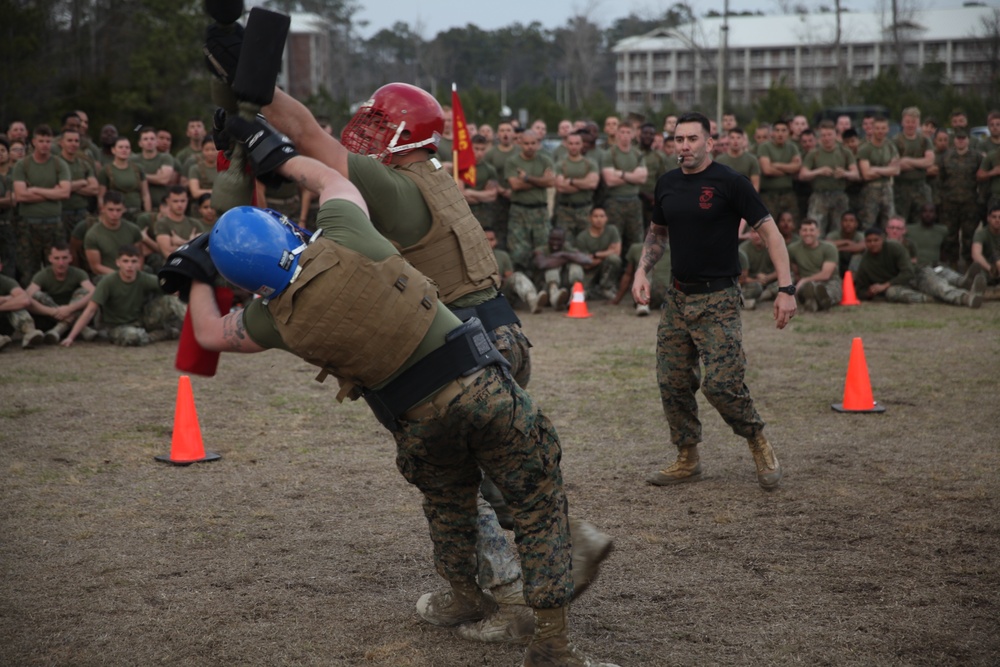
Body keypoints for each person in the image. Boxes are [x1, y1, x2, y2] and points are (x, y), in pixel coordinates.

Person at [178, 148, 619, 667]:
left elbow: (207, 332)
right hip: (479, 386)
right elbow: (327, 176)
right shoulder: (345, 233)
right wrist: (278, 157)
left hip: (416, 422)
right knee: (538, 506)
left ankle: (464, 597)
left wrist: (194, 273)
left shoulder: (272, 319)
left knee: (449, 509)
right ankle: (552, 650)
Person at [631, 112, 796, 491]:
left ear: (709, 141)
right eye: (678, 139)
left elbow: (771, 234)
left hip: (718, 298)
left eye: (692, 139)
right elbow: (657, 233)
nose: (684, 146)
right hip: (677, 297)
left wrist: (786, 290)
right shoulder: (668, 183)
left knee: (722, 384)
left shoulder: (731, 182)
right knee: (672, 381)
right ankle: (687, 457)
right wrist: (642, 270)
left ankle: (757, 440)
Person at [62, 244, 183, 346]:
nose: (129, 265)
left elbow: (172, 290)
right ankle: (163, 333)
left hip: (141, 320)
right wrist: (71, 337)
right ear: (118, 262)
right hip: (117, 326)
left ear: (139, 263)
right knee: (133, 337)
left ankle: (195, 334)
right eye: (125, 261)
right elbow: (90, 310)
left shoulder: (144, 278)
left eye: (133, 261)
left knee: (172, 300)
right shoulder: (108, 282)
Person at [854, 227, 983, 307]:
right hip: (900, 287)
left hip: (917, 275)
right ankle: (932, 299)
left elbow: (908, 272)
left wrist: (884, 285)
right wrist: (869, 293)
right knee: (891, 293)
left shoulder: (894, 247)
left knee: (940, 288)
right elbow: (859, 289)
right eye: (869, 241)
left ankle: (966, 298)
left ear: (882, 239)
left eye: (875, 240)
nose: (872, 244)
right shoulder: (865, 262)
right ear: (865, 243)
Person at [12, 124, 71, 283]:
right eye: (41, 141)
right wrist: (52, 193)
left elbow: (65, 192)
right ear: (33, 142)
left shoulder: (59, 164)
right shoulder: (22, 165)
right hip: (28, 224)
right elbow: (21, 196)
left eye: (48, 141)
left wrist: (36, 189)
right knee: (28, 269)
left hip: (54, 223)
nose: (45, 145)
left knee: (56, 268)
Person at [25, 241, 97, 343]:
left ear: (70, 258)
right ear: (50, 259)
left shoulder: (79, 273)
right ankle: (82, 328)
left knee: (84, 292)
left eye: (64, 258)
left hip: (73, 311)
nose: (61, 263)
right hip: (51, 317)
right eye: (57, 258)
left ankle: (58, 330)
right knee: (37, 295)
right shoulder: (42, 275)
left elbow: (94, 292)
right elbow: (27, 297)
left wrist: (70, 309)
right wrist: (53, 311)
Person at [506, 130, 555, 270]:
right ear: (520, 143)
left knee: (543, 248)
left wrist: (527, 178)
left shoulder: (545, 160)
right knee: (519, 251)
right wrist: (541, 181)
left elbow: (551, 182)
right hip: (519, 211)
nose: (530, 146)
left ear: (538, 144)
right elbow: (515, 185)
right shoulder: (512, 161)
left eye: (533, 143)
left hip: (540, 210)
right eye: (526, 143)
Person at [798, 120, 858, 236]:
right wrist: (818, 171)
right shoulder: (813, 153)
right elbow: (803, 174)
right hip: (819, 196)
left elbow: (855, 174)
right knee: (815, 229)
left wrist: (845, 173)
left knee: (840, 230)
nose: (827, 138)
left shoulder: (845, 152)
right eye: (823, 135)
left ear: (835, 135)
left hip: (839, 195)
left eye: (829, 135)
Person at [599, 124, 648, 257]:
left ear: (632, 135)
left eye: (628, 132)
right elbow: (609, 180)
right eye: (622, 132)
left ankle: (634, 273)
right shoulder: (610, 153)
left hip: (634, 202)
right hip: (614, 203)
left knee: (636, 240)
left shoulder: (637, 154)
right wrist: (633, 175)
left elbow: (642, 178)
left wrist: (620, 174)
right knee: (615, 240)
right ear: (617, 134)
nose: (625, 135)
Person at [486, 226, 547, 314]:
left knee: (517, 276)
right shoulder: (473, 257)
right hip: (483, 294)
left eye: (491, 239)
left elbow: (510, 277)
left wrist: (501, 279)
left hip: (501, 292)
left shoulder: (503, 256)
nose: (489, 243)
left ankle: (533, 300)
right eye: (486, 240)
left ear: (496, 241)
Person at [83, 191, 145, 277]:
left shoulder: (133, 229)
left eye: (118, 210)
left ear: (124, 209)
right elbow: (96, 267)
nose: (115, 214)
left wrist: (136, 272)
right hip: (106, 276)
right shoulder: (93, 235)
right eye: (110, 210)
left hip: (131, 273)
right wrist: (120, 276)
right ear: (103, 209)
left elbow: (140, 256)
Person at [787, 218, 842, 311]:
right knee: (806, 289)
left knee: (829, 291)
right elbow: (794, 270)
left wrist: (804, 280)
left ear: (818, 232)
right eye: (805, 230)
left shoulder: (830, 248)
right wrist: (799, 282)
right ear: (800, 232)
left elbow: (826, 274)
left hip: (828, 282)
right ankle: (813, 300)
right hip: (807, 284)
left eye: (811, 230)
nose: (808, 233)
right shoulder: (792, 249)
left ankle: (819, 301)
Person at [893, 107, 935, 226]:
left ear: (918, 123)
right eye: (908, 122)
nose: (910, 125)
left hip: (921, 186)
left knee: (922, 221)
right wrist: (920, 164)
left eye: (913, 122)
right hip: (901, 188)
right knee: (901, 221)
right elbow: (896, 165)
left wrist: (907, 160)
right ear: (902, 122)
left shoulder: (925, 141)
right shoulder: (896, 141)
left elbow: (929, 161)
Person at [552, 131, 599, 239]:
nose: (574, 146)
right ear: (566, 145)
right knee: (565, 244)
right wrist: (583, 184)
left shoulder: (590, 163)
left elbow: (593, 184)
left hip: (585, 210)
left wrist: (571, 181)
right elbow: (561, 187)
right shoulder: (560, 164)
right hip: (565, 211)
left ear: (582, 144)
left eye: (577, 143)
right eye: (571, 143)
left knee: (585, 243)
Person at [857, 116, 900, 229]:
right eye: (877, 128)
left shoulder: (891, 146)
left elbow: (896, 170)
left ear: (887, 129)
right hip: (871, 190)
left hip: (887, 188)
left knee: (890, 222)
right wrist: (887, 170)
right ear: (873, 129)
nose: (880, 131)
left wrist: (875, 169)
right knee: (868, 223)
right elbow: (866, 174)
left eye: (883, 128)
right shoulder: (865, 149)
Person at [533, 227, 591, 309]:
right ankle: (554, 294)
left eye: (558, 240)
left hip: (564, 287)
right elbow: (542, 264)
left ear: (564, 241)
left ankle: (575, 294)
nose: (555, 243)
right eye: (552, 239)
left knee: (575, 266)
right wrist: (566, 259)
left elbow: (587, 260)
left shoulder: (567, 249)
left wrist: (563, 255)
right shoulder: (541, 250)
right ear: (548, 239)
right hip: (546, 288)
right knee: (552, 267)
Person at [756, 118, 801, 220]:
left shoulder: (792, 147)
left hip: (788, 193)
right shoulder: (764, 147)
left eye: (783, 130)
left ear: (788, 132)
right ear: (772, 133)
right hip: (769, 195)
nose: (780, 134)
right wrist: (788, 171)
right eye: (777, 130)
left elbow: (797, 167)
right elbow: (767, 170)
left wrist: (777, 165)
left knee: (791, 224)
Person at [574, 206, 622, 300]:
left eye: (602, 216)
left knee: (614, 259)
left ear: (606, 218)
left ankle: (607, 288)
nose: (599, 219)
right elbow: (586, 264)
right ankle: (596, 291)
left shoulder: (612, 230)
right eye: (595, 216)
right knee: (583, 292)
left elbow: (617, 252)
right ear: (589, 218)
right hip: (590, 271)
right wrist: (607, 253)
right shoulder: (582, 237)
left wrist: (596, 255)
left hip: (605, 267)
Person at [98, 136, 150, 219]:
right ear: (113, 150)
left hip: (137, 213)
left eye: (127, 147)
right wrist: (104, 214)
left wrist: (148, 215)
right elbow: (101, 196)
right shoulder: (106, 170)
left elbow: (145, 194)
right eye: (121, 147)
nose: (124, 150)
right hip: (116, 214)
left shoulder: (138, 169)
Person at [0, 260, 45, 349]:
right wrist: (6, 298)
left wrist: (3, 303)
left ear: (0, 267)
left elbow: (24, 299)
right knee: (13, 300)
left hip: (5, 322)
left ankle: (29, 332)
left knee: (16, 305)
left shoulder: (6, 281)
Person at [154, 186, 206, 257]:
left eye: (183, 201)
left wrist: (180, 243)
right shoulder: (162, 224)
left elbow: (202, 249)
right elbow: (167, 252)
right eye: (175, 201)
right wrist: (191, 242)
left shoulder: (195, 223)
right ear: (168, 201)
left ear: (187, 200)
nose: (179, 205)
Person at [826, 210, 866, 277]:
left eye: (851, 221)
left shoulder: (860, 235)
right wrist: (847, 242)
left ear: (856, 224)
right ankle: (835, 279)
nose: (848, 223)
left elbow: (860, 247)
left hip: (854, 266)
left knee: (857, 256)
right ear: (841, 223)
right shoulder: (834, 235)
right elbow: (827, 244)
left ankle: (852, 280)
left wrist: (839, 248)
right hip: (839, 264)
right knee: (832, 255)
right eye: (845, 220)